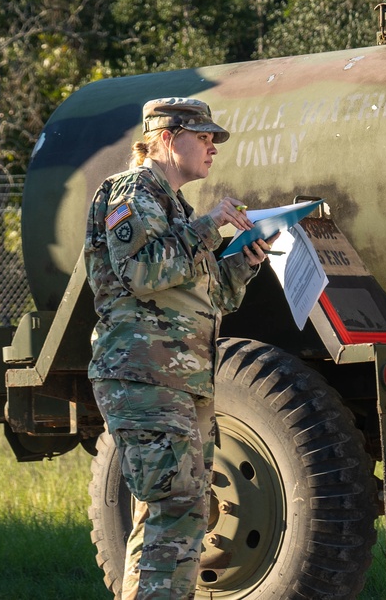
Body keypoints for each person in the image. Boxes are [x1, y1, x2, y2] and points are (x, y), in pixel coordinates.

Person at [84, 97, 271, 600]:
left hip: (180, 378)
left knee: (175, 510)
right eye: (203, 137)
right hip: (144, 377)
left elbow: (209, 298)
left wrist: (244, 262)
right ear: (166, 138)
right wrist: (209, 227)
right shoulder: (132, 192)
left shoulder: (173, 207)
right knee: (177, 506)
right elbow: (144, 272)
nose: (212, 148)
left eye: (213, 140)